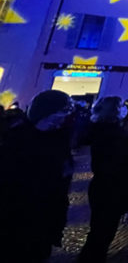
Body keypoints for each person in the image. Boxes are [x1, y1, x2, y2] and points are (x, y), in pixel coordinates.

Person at [0, 90, 75, 262]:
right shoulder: (15, 138)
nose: (63, 118)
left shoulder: (59, 138)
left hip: (44, 218)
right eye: (61, 112)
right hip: (15, 218)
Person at [78, 97, 128, 262]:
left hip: (106, 185)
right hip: (111, 187)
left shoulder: (104, 128)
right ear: (114, 110)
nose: (125, 109)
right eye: (121, 107)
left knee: (100, 231)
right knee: (102, 233)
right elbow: (126, 151)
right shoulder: (110, 132)